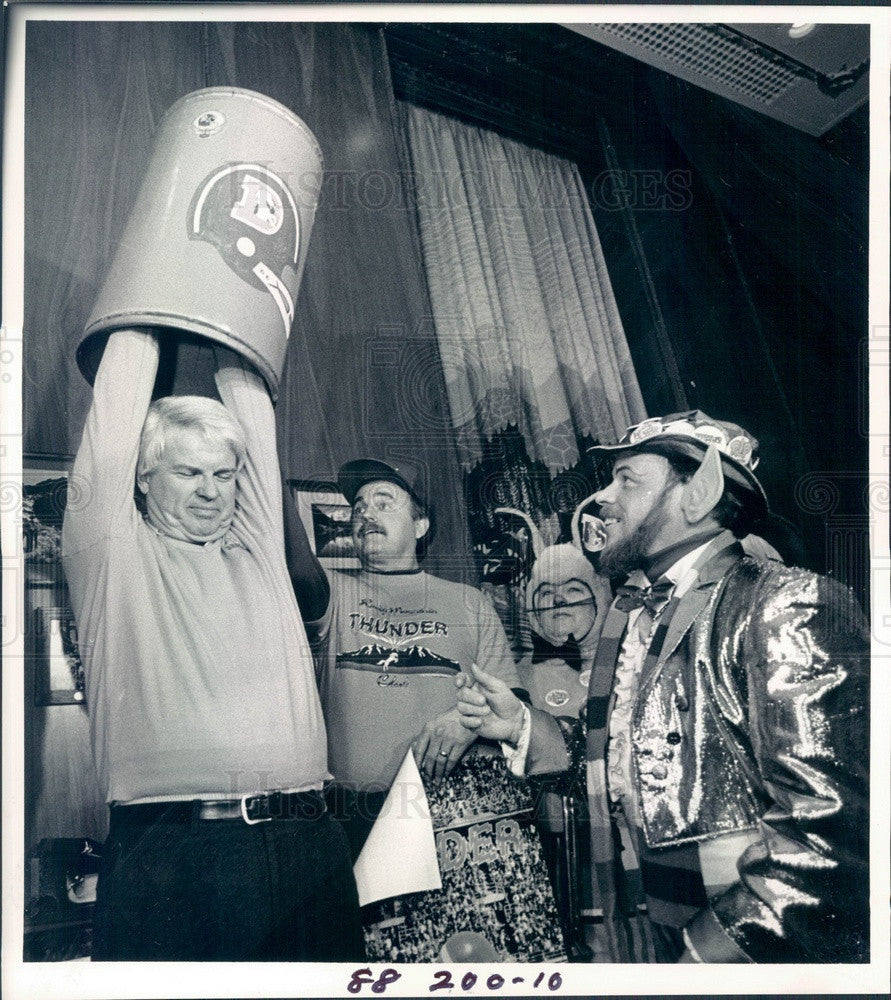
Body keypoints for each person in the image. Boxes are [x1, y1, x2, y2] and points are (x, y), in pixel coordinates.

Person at [455, 410, 869, 963]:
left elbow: (829, 834)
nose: (603, 497)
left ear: (698, 492)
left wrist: (702, 959)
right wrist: (525, 727)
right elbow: (635, 777)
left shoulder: (786, 603)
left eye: (627, 479)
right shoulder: (627, 615)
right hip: (652, 929)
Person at [62, 328, 363, 961]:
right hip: (178, 853)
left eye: (223, 475)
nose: (210, 490)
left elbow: (253, 411)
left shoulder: (258, 553)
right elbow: (114, 419)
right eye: (189, 472)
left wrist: (239, 309)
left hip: (309, 846)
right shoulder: (110, 556)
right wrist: (154, 304)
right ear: (143, 479)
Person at [283, 458, 526, 857]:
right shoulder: (332, 591)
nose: (366, 515)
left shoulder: (469, 602)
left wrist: (468, 721)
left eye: (384, 502)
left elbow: (514, 706)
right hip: (351, 814)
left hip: (448, 808)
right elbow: (292, 556)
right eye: (358, 508)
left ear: (420, 525)